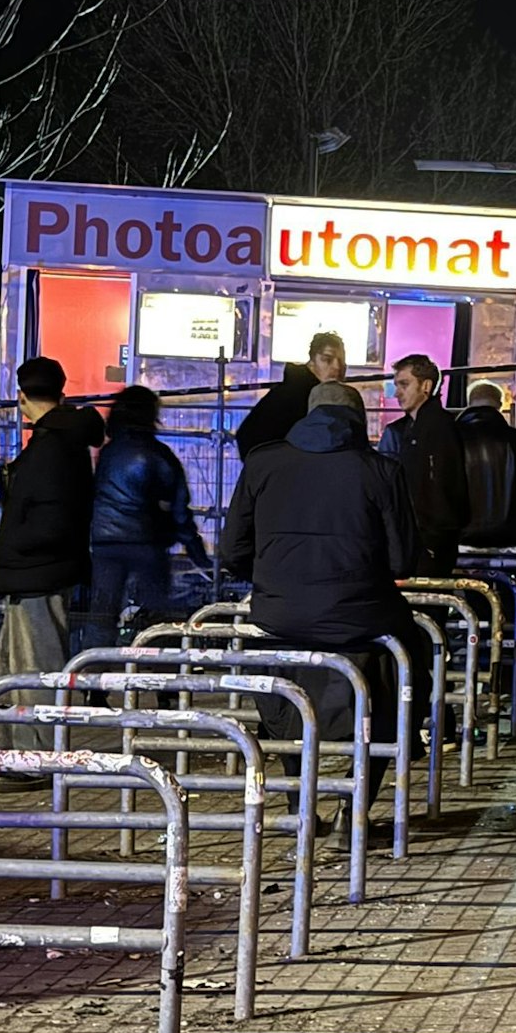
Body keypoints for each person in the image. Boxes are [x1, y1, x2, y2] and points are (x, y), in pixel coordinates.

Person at [222, 381, 431, 826]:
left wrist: (274, 577)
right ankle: (353, 811)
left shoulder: (262, 463)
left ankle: (298, 806)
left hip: (279, 617)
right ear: (359, 419)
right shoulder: (381, 470)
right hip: (362, 620)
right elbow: (402, 561)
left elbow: (231, 551)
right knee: (400, 683)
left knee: (286, 708)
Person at [0, 357, 106, 789]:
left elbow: (47, 518)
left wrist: (13, 546)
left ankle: (35, 756)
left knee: (32, 667)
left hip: (35, 570)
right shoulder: (64, 441)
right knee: (17, 664)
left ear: (21, 397)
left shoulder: (51, 445)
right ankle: (24, 752)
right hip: (40, 569)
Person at [84, 386, 210, 650]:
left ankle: (93, 670)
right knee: (157, 613)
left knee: (102, 613)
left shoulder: (108, 452)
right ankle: (158, 669)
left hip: (106, 542)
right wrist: (197, 553)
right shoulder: (159, 454)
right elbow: (180, 511)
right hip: (147, 542)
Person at [380, 353, 469, 575]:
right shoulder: (423, 426)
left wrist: (429, 537)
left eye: (404, 384)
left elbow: (435, 486)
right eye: (396, 385)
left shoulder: (434, 429)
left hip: (428, 540)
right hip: (429, 537)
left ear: (426, 386)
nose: (397, 393)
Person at [456, 382, 516, 549]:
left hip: (458, 540)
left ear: (469, 402)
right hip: (509, 541)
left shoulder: (449, 439)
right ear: (499, 404)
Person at [236, 331, 345, 459]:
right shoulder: (300, 397)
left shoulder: (292, 391)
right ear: (312, 362)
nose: (337, 367)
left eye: (341, 361)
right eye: (327, 360)